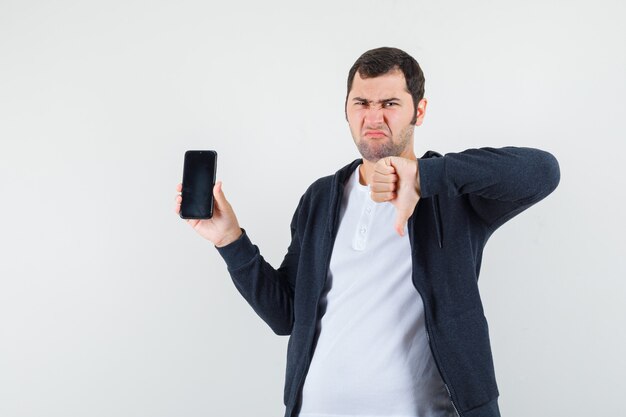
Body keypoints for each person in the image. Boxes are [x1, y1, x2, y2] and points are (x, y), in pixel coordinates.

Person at [174, 47, 560, 417]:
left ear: (419, 111)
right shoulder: (320, 198)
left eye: (390, 104)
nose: (374, 118)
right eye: (362, 103)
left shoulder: (452, 195)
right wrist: (230, 240)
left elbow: (542, 172)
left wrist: (424, 177)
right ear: (346, 110)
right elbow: (287, 316)